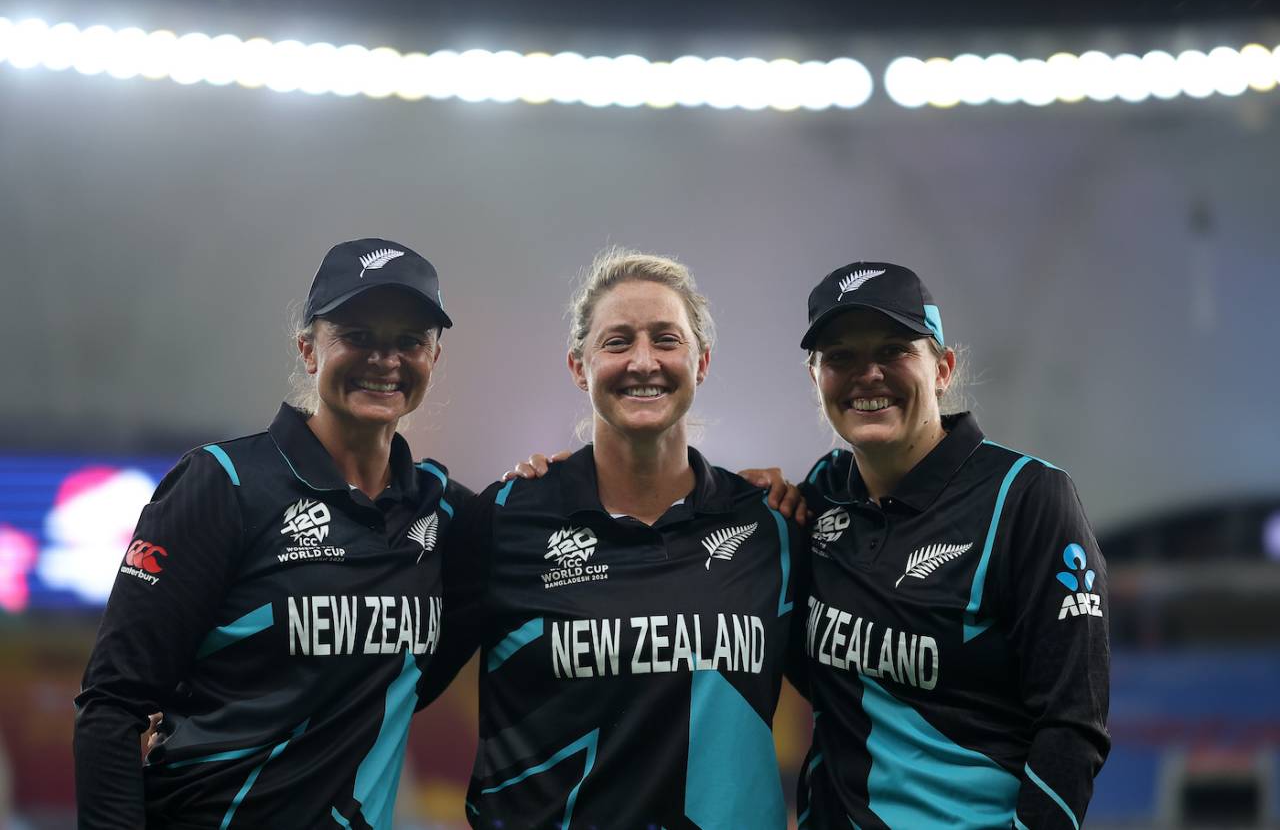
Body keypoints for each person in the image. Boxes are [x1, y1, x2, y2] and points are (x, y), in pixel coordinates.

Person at [74, 238, 472, 829]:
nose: (384, 359)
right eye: (357, 336)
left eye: (409, 341)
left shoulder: (446, 515)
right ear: (309, 350)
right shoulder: (223, 484)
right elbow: (111, 706)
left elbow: (410, 678)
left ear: (433, 359)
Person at [430, 248, 806, 829]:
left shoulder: (770, 527)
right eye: (617, 341)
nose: (642, 361)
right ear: (579, 366)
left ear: (701, 362)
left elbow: (860, 694)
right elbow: (398, 681)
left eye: (666, 339)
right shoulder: (505, 520)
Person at [791, 262, 1110, 829]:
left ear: (942, 369)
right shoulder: (821, 492)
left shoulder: (1029, 497)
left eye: (893, 351)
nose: (868, 374)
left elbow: (1073, 724)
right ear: (816, 378)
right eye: (840, 357)